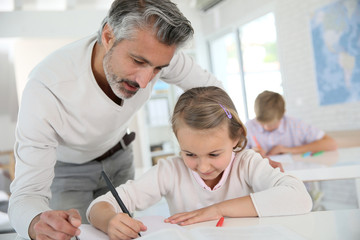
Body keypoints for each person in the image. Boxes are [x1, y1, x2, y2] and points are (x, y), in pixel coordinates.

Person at [8, 1, 225, 239]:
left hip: (120, 157)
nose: (145, 82)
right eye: (138, 62)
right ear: (108, 35)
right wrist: (35, 222)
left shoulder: (158, 54)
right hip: (68, 171)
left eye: (157, 69)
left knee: (123, 231)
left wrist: (239, 148)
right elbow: (26, 194)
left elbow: (216, 95)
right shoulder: (46, 89)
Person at [86, 86, 313, 239]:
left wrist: (216, 210)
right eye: (190, 154)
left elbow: (299, 197)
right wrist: (109, 222)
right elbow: (98, 206)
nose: (203, 167)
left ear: (237, 138)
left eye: (214, 154)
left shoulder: (248, 164)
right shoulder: (170, 171)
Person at [246, 90, 337, 157]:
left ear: (283, 114)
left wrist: (287, 150)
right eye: (262, 123)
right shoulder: (249, 127)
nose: (266, 127)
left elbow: (331, 144)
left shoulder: (295, 125)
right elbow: (236, 155)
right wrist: (251, 153)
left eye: (271, 124)